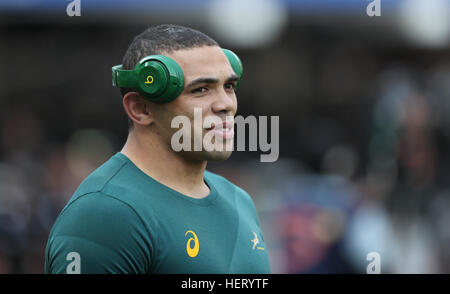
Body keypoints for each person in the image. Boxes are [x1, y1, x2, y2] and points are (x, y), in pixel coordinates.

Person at [44, 24, 271, 274]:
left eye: (229, 86)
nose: (226, 104)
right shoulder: (104, 214)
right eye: (201, 90)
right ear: (141, 109)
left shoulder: (238, 199)